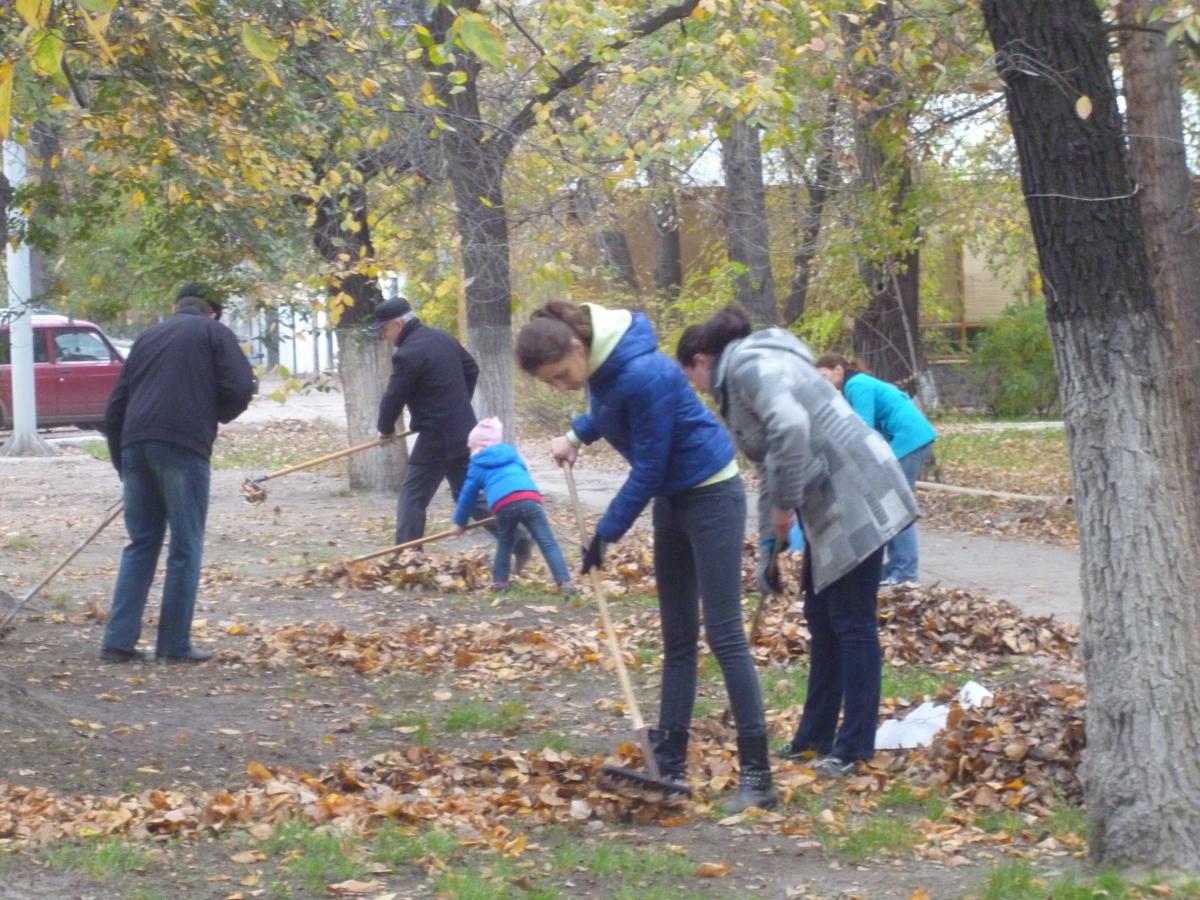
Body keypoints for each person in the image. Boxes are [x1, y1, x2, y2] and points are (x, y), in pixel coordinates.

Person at [516, 300, 778, 812]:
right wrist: (575, 434)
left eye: (562, 375)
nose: (563, 385)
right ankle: (669, 760)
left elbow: (651, 466)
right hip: (673, 500)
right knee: (678, 636)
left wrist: (605, 534)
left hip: (711, 495)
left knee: (723, 634)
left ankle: (758, 775)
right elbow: (609, 412)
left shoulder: (644, 372)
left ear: (577, 346)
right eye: (551, 384)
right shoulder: (608, 368)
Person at [677, 305, 918, 777]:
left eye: (691, 378)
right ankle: (815, 738)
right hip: (830, 493)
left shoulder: (747, 366)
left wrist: (785, 506)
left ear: (702, 360)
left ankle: (854, 749)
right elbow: (771, 460)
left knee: (850, 622)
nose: (697, 390)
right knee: (823, 616)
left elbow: (790, 428)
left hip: (856, 489)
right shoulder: (750, 368)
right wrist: (770, 542)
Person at [101, 284, 257, 664]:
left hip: (134, 444)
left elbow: (116, 405)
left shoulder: (147, 337)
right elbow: (242, 386)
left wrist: (124, 463)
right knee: (185, 548)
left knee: (140, 544)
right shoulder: (214, 333)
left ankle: (117, 643)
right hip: (183, 447)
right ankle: (173, 646)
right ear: (213, 312)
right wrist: (214, 413)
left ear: (175, 307)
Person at [372, 297, 531, 566]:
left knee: (413, 496)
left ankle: (407, 560)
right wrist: (456, 404)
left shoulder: (407, 354)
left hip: (436, 435)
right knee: (468, 494)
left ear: (397, 324)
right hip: (464, 431)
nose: (383, 336)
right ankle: (516, 537)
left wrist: (385, 429)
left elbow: (393, 397)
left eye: (383, 330)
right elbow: (472, 368)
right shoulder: (442, 338)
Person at [814, 353, 936, 585]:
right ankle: (896, 566)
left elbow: (861, 427)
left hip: (909, 440)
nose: (821, 382)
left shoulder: (856, 385)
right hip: (906, 440)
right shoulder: (855, 385)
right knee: (890, 503)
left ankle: (906, 571)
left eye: (823, 376)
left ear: (839, 369)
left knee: (897, 505)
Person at [451, 417, 572, 592]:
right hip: (530, 499)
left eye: (471, 446)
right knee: (547, 542)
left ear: (480, 447)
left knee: (505, 542)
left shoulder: (477, 465)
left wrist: (459, 523)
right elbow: (523, 474)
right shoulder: (513, 455)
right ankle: (565, 582)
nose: (469, 450)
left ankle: (499, 583)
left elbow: (467, 496)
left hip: (504, 505)